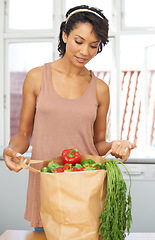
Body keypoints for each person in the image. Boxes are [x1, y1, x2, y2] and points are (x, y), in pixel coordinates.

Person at [3, 5, 135, 231]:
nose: (85, 52)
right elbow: (24, 134)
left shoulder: (100, 89)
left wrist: (115, 145)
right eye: (79, 41)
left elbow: (97, 145)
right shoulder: (37, 77)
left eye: (94, 46)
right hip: (48, 185)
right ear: (65, 35)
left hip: (86, 187)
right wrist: (12, 150)